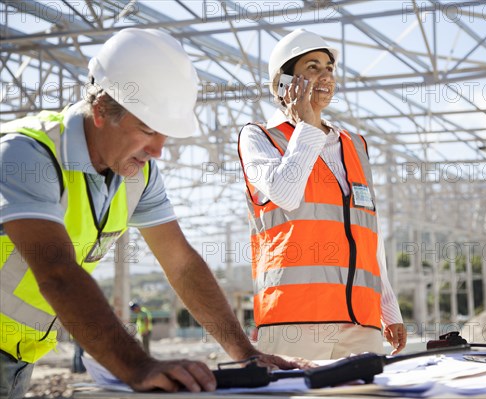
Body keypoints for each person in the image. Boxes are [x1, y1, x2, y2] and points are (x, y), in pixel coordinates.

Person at [0, 28, 306, 399]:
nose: (158, 150)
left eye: (165, 134)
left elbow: (181, 264)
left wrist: (246, 354)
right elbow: (56, 272)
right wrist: (139, 366)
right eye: (147, 130)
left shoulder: (138, 175)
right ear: (100, 111)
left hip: (19, 357)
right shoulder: (25, 155)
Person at [237, 29, 408, 360]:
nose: (326, 74)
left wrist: (389, 309)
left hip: (360, 321)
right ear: (284, 83)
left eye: (329, 67)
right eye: (312, 66)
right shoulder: (258, 138)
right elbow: (286, 193)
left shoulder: (355, 145)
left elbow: (368, 232)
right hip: (294, 321)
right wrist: (308, 125)